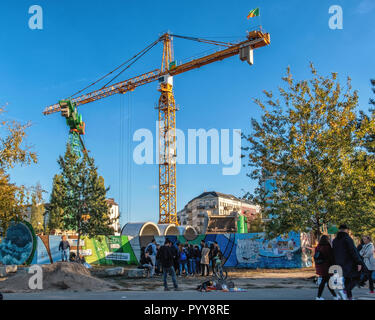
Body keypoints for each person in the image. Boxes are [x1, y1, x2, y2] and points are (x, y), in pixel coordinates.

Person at [332, 224, 363, 300]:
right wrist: (359, 262)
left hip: (339, 264)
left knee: (347, 280)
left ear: (339, 230)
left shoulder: (335, 240)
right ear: (346, 230)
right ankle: (344, 291)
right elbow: (353, 251)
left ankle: (349, 297)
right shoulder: (347, 238)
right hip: (349, 263)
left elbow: (333, 252)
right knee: (357, 277)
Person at [314, 235, 338, 300]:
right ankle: (319, 297)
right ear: (327, 240)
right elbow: (331, 258)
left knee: (326, 281)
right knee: (326, 282)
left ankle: (334, 296)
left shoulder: (317, 247)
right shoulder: (327, 247)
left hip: (320, 266)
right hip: (326, 267)